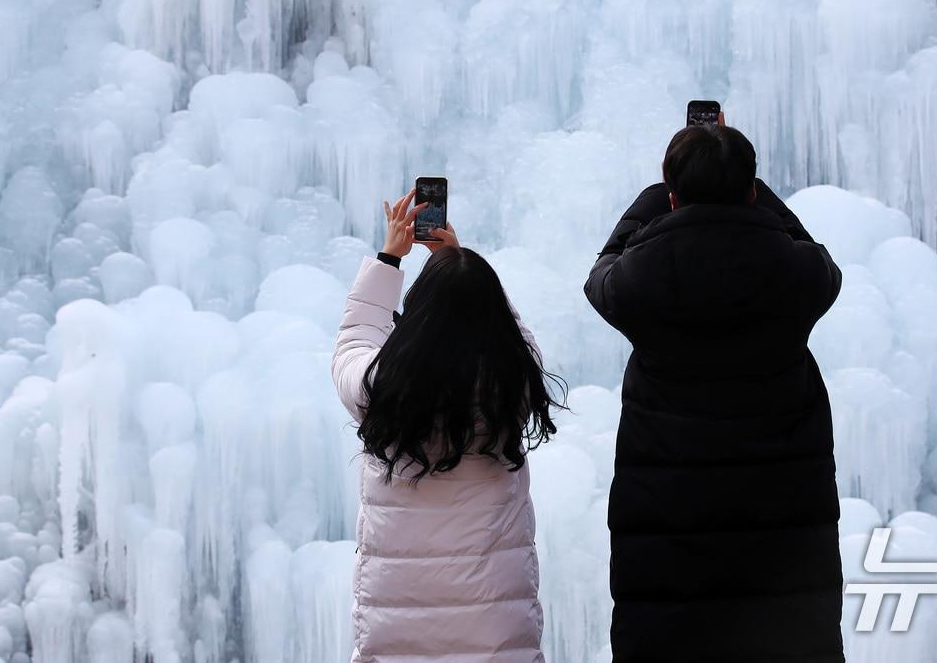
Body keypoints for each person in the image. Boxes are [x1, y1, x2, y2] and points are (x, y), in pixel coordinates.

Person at [584, 124, 845, 661]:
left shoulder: (641, 276)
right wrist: (755, 193)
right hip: (780, 519)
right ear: (751, 189)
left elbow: (601, 272)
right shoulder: (796, 271)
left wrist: (656, 197)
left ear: (673, 195)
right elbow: (813, 250)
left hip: (669, 521)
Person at [331, 192, 564, 663]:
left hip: (399, 632)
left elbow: (353, 343)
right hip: (496, 636)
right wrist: (460, 267)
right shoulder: (511, 386)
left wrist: (389, 260)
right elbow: (521, 347)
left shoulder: (382, 392)